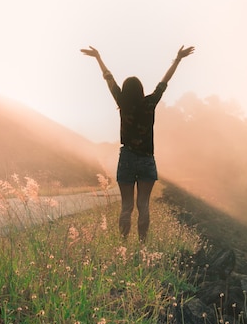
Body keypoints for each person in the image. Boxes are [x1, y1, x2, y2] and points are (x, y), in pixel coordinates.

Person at [81, 45, 195, 242]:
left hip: (126, 158)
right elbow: (164, 82)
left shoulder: (122, 103)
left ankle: (123, 245)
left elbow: (109, 79)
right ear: (141, 90)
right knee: (143, 205)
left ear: (124, 91)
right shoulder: (150, 103)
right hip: (146, 159)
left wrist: (98, 57)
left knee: (127, 206)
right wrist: (178, 59)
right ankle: (142, 245)